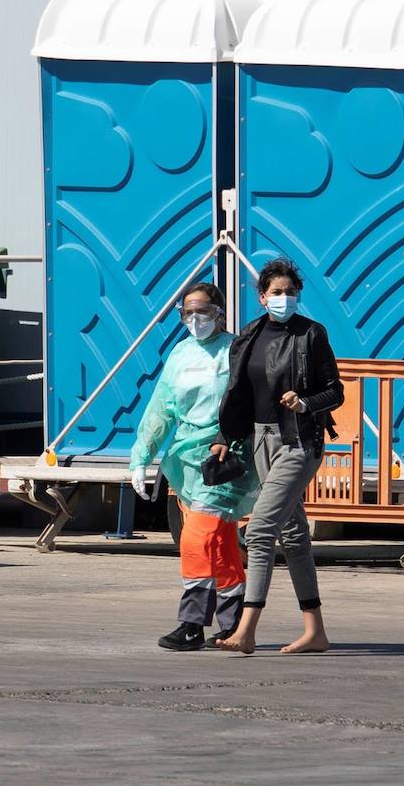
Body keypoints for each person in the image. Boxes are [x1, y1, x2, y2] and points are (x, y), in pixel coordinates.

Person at [210, 257, 343, 655]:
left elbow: (335, 391)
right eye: (277, 292)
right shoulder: (249, 335)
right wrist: (224, 435)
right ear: (262, 296)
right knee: (294, 536)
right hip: (260, 440)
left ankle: (246, 630)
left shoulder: (311, 334)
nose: (284, 298)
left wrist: (304, 403)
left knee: (260, 530)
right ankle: (315, 632)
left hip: (299, 441)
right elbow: (237, 393)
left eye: (291, 292)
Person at [129, 283, 259, 652]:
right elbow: (162, 407)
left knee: (196, 538)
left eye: (203, 311)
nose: (196, 319)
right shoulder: (180, 354)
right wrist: (141, 457)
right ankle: (233, 623)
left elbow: (248, 402)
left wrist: (231, 437)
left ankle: (191, 623)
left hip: (225, 457)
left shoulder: (235, 350)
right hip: (187, 460)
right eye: (188, 312)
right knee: (220, 542)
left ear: (220, 313)